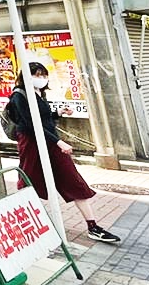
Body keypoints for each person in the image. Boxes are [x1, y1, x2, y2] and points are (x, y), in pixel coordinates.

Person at [7, 62, 121, 244]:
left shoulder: (40, 93)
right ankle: (23, 222)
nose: (41, 78)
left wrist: (58, 113)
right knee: (30, 181)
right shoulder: (19, 96)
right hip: (32, 143)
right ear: (26, 76)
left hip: (51, 140)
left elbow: (43, 119)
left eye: (43, 75)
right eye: (36, 75)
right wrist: (58, 142)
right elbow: (31, 124)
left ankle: (93, 226)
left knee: (72, 178)